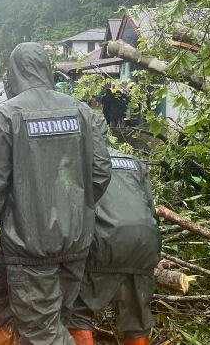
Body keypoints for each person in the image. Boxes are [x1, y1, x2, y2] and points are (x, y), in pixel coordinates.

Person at [0, 42, 111, 345]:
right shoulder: (81, 111)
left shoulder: (6, 114)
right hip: (76, 239)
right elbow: (101, 172)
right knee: (11, 298)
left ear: (13, 74)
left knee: (43, 333)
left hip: (30, 246)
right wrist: (74, 208)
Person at [67, 145, 161, 345]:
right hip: (144, 244)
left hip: (103, 243)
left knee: (77, 315)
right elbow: (149, 208)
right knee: (137, 322)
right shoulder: (132, 161)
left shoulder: (76, 158)